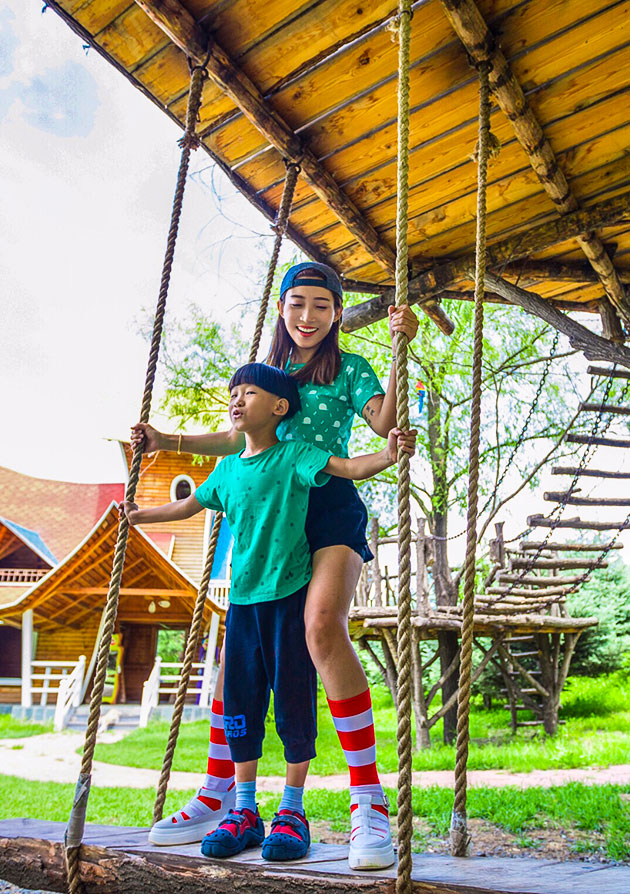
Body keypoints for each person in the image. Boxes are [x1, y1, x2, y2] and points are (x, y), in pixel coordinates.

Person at [133, 261, 419, 870]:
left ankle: (368, 799)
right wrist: (166, 441)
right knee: (244, 645)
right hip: (271, 507)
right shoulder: (266, 376)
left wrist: (400, 349)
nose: (307, 316)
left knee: (320, 627)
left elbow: (384, 423)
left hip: (327, 506)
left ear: (336, 313)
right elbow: (235, 441)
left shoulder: (349, 369)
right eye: (297, 303)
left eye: (321, 305)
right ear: (282, 308)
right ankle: (219, 791)